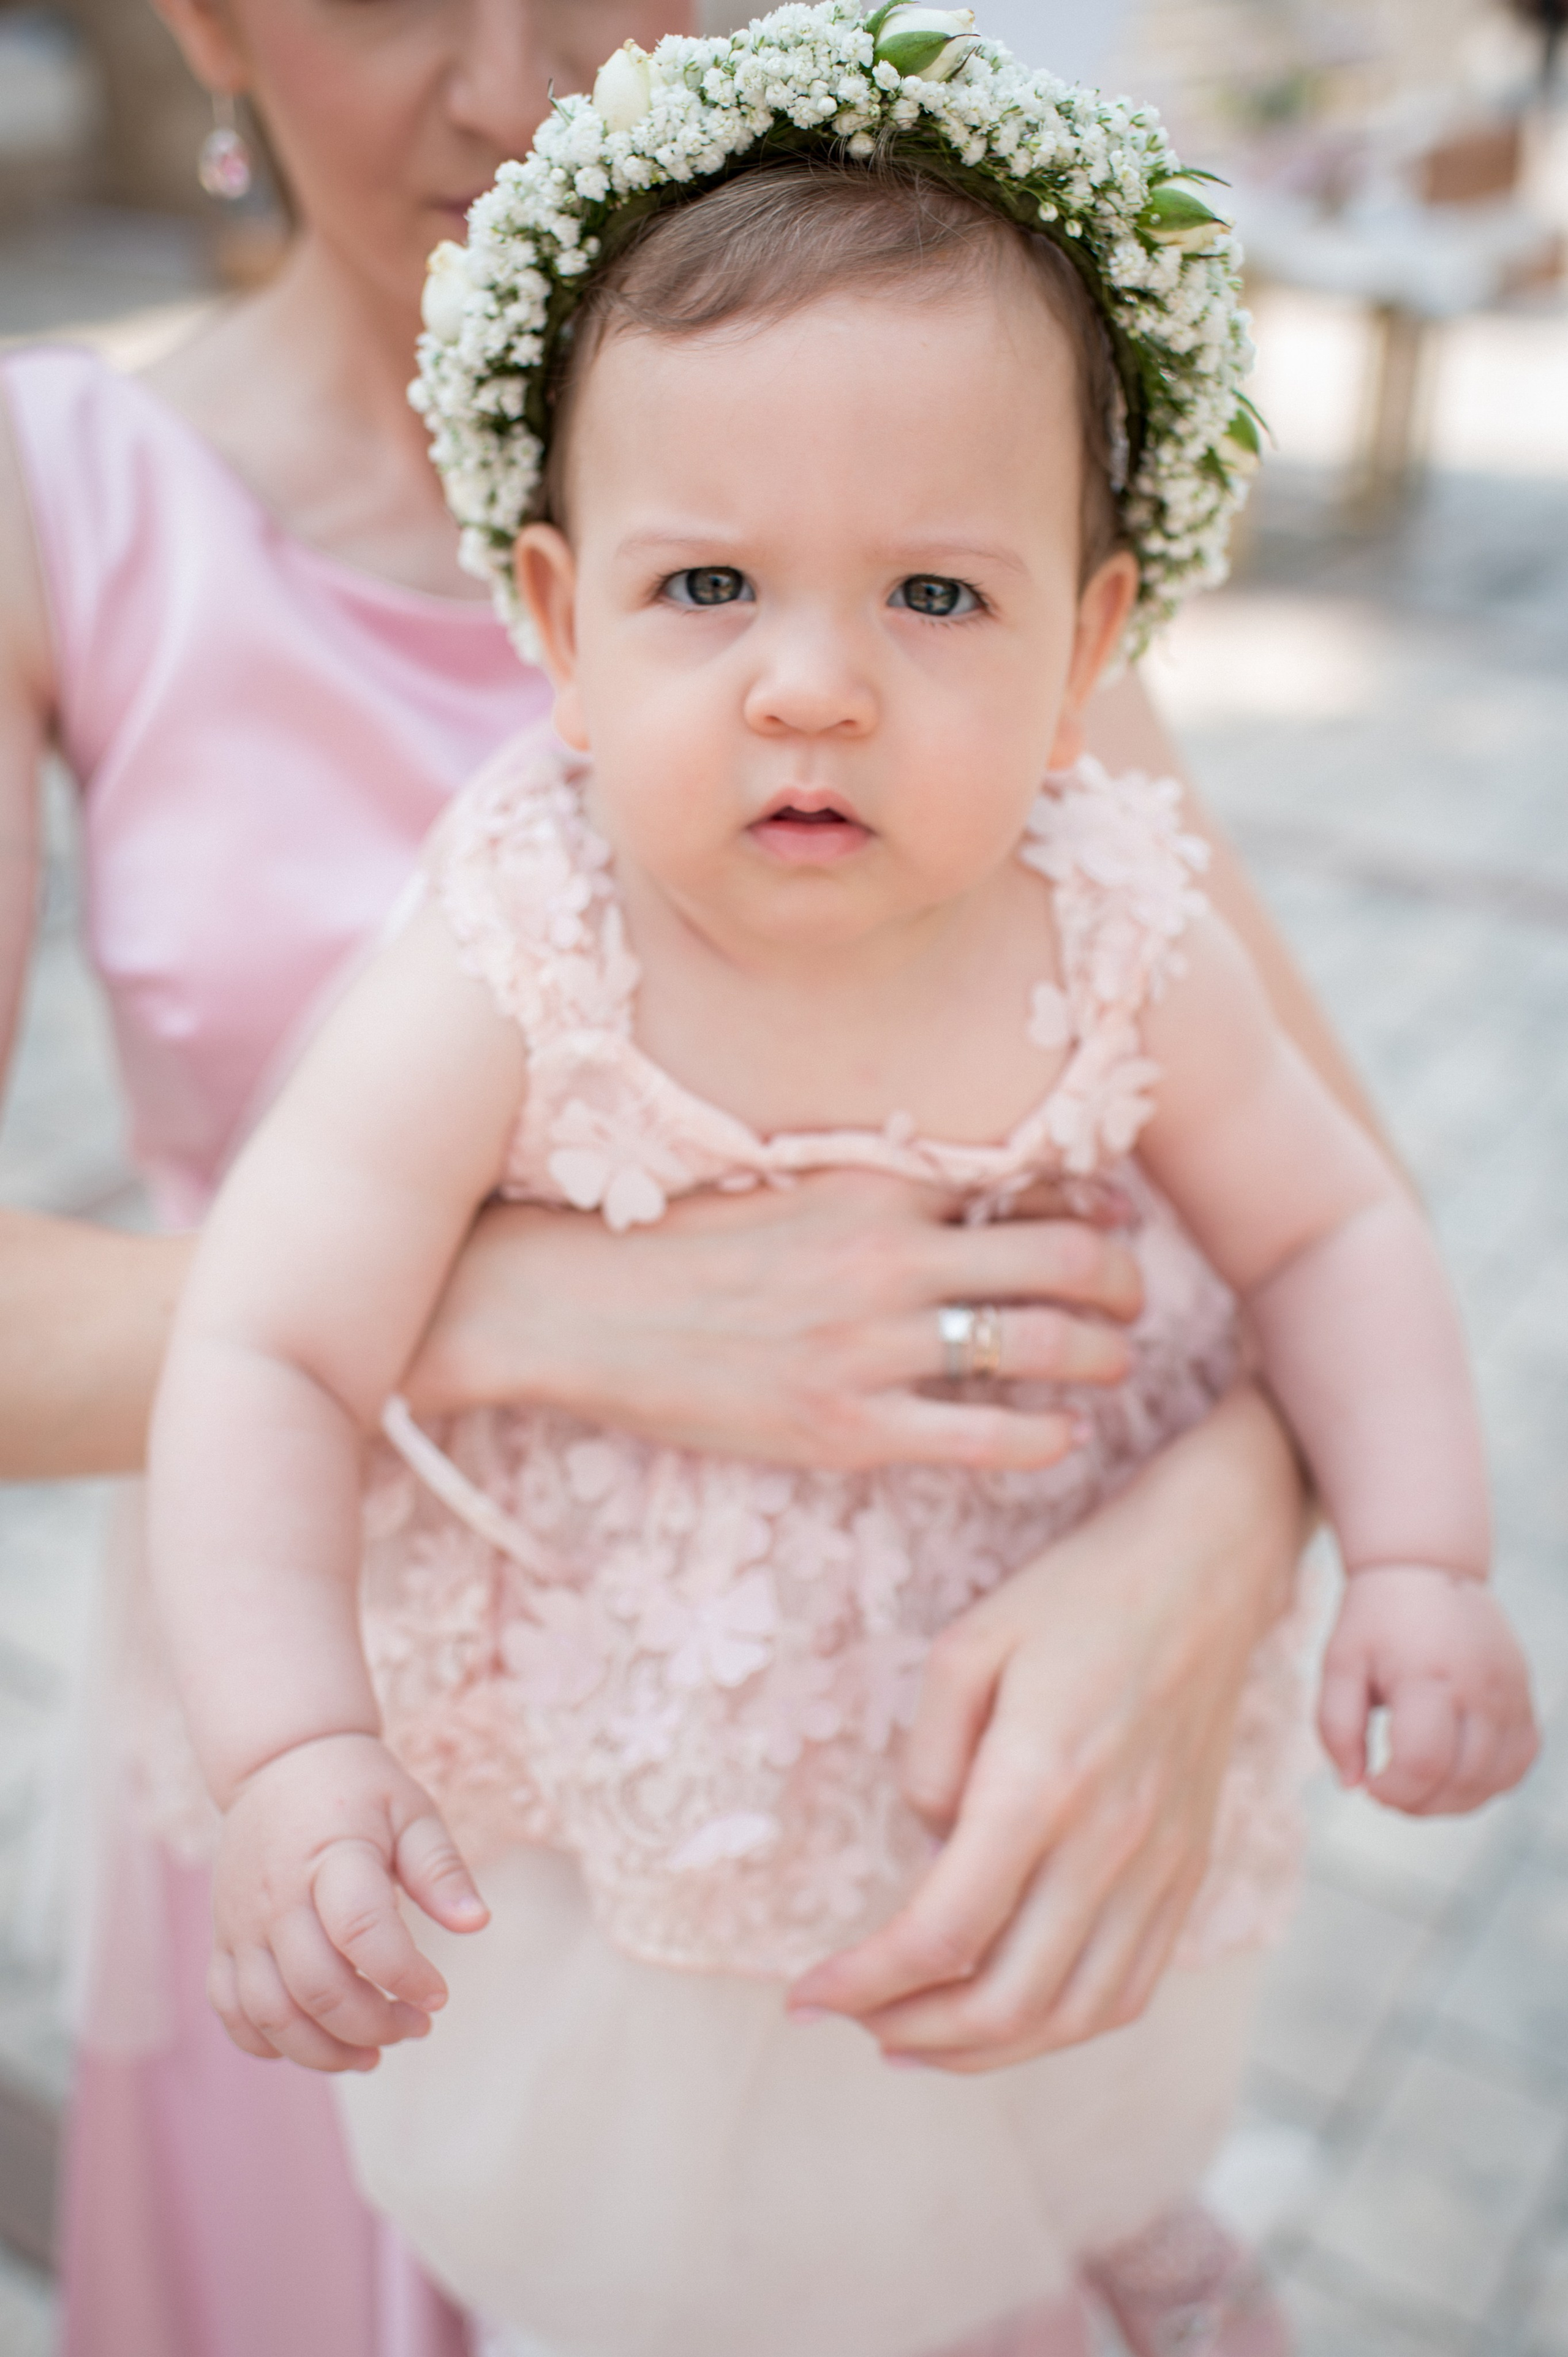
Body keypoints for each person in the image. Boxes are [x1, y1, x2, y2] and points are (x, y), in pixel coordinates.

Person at [0, 2, 1387, 2353]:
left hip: (874, 1842)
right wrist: (529, 1309)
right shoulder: (63, 494)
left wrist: (1233, 1537)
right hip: (360, 1770)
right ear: (209, 20)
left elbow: (1322, 1191)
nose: (509, 73)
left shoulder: (945, 483)